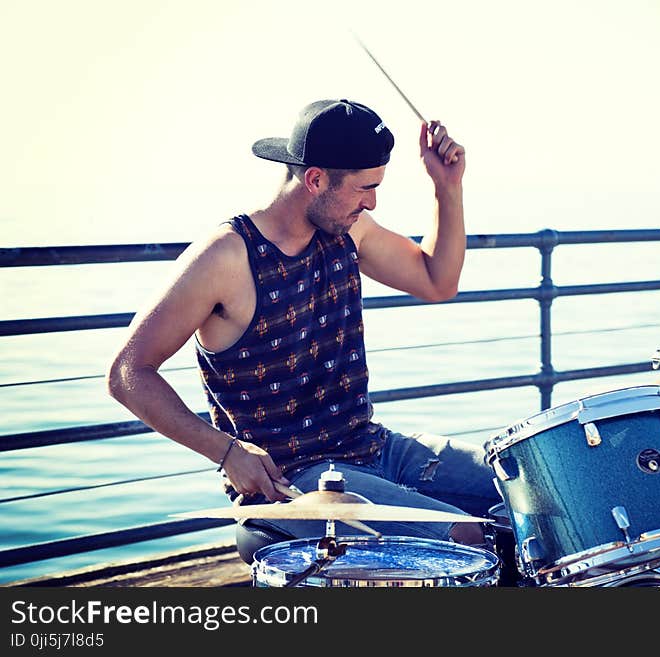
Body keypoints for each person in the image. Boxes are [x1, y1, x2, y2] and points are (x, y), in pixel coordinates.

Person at [106, 98, 502, 565]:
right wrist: (228, 452)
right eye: (363, 188)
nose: (372, 201)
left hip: (374, 447)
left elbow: (438, 281)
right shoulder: (226, 258)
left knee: (533, 484)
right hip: (294, 480)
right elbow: (128, 373)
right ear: (315, 179)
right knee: (465, 539)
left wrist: (447, 188)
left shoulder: (348, 230)